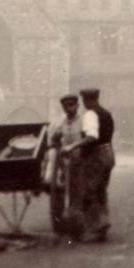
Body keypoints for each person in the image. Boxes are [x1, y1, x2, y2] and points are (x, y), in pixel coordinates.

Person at [79, 87, 115, 241]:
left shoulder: (90, 114)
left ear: (86, 100)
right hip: (108, 153)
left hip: (97, 156)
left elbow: (92, 137)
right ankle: (102, 227)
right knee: (101, 191)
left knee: (89, 190)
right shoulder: (106, 113)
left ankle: (99, 225)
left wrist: (73, 146)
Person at [51, 94, 88, 238]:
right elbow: (54, 140)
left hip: (81, 162)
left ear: (77, 106)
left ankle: (79, 227)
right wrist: (59, 149)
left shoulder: (83, 121)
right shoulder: (62, 123)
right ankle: (66, 225)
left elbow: (88, 140)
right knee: (66, 193)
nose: (69, 108)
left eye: (72, 105)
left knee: (79, 194)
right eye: (66, 106)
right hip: (66, 163)